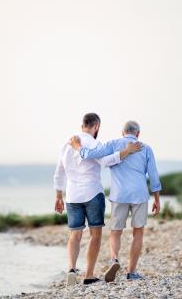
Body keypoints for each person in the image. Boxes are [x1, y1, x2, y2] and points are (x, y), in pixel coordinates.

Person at [54, 113, 142, 286]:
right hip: (93, 193)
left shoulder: (67, 144)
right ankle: (88, 274)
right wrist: (127, 151)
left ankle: (71, 269)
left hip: (72, 195)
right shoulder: (95, 144)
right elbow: (107, 161)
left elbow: (59, 172)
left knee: (75, 234)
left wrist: (58, 195)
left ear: (82, 126)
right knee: (95, 235)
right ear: (96, 127)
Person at [69, 120, 161, 282]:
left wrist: (78, 148)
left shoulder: (112, 144)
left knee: (116, 232)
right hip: (139, 194)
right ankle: (132, 272)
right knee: (138, 232)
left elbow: (92, 155)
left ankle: (114, 259)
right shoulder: (146, 148)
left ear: (122, 132)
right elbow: (153, 176)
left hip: (119, 195)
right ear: (138, 134)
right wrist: (157, 199)